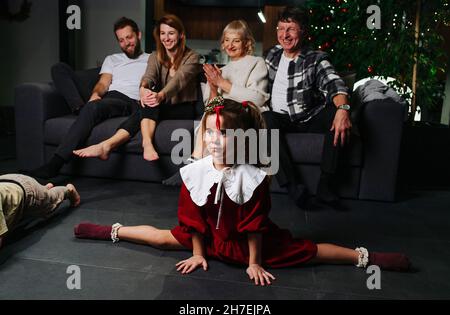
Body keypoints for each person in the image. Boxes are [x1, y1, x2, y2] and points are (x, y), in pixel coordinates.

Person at [73, 98, 410, 286]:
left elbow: (254, 223)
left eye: (225, 135)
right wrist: (198, 252)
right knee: (162, 238)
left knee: (307, 251)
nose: (215, 141)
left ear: (243, 139)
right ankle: (110, 231)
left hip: (242, 243)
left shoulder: (254, 178)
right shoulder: (195, 172)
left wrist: (254, 262)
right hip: (205, 238)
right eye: (209, 134)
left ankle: (365, 257)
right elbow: (191, 219)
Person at [30, 17, 150, 179]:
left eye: (129, 37)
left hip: (129, 101)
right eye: (121, 40)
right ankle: (80, 108)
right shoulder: (112, 59)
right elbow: (103, 83)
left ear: (139, 35)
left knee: (94, 107)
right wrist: (95, 95)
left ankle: (55, 163)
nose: (126, 43)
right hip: (109, 97)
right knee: (59, 68)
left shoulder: (151, 59)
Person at [73, 14, 201, 162]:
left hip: (183, 107)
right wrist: (143, 88)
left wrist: (160, 95)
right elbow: (149, 76)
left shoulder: (193, 57)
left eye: (171, 33)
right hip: (162, 104)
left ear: (181, 35)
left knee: (151, 103)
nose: (166, 38)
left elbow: (179, 80)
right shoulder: (156, 56)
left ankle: (109, 145)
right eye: (162, 33)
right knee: (148, 101)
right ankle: (145, 144)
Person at [263, 7, 352, 209]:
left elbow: (335, 84)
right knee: (265, 119)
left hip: (309, 116)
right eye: (281, 28)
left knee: (335, 115)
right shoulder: (272, 56)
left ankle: (325, 185)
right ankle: (293, 187)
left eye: (291, 29)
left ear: (302, 32)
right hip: (280, 117)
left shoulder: (315, 59)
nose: (284, 35)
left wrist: (343, 109)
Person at [162, 19, 270, 186]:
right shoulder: (222, 71)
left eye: (236, 40)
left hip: (247, 114)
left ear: (247, 42)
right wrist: (213, 88)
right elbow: (211, 106)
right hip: (223, 116)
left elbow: (258, 98)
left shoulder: (257, 63)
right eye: (227, 40)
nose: (230, 44)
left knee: (218, 120)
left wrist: (221, 83)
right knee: (209, 115)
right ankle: (195, 164)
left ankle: (192, 167)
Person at [0, 174, 80, 250]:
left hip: (26, 189)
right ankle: (43, 191)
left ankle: (68, 190)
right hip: (7, 181)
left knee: (49, 202)